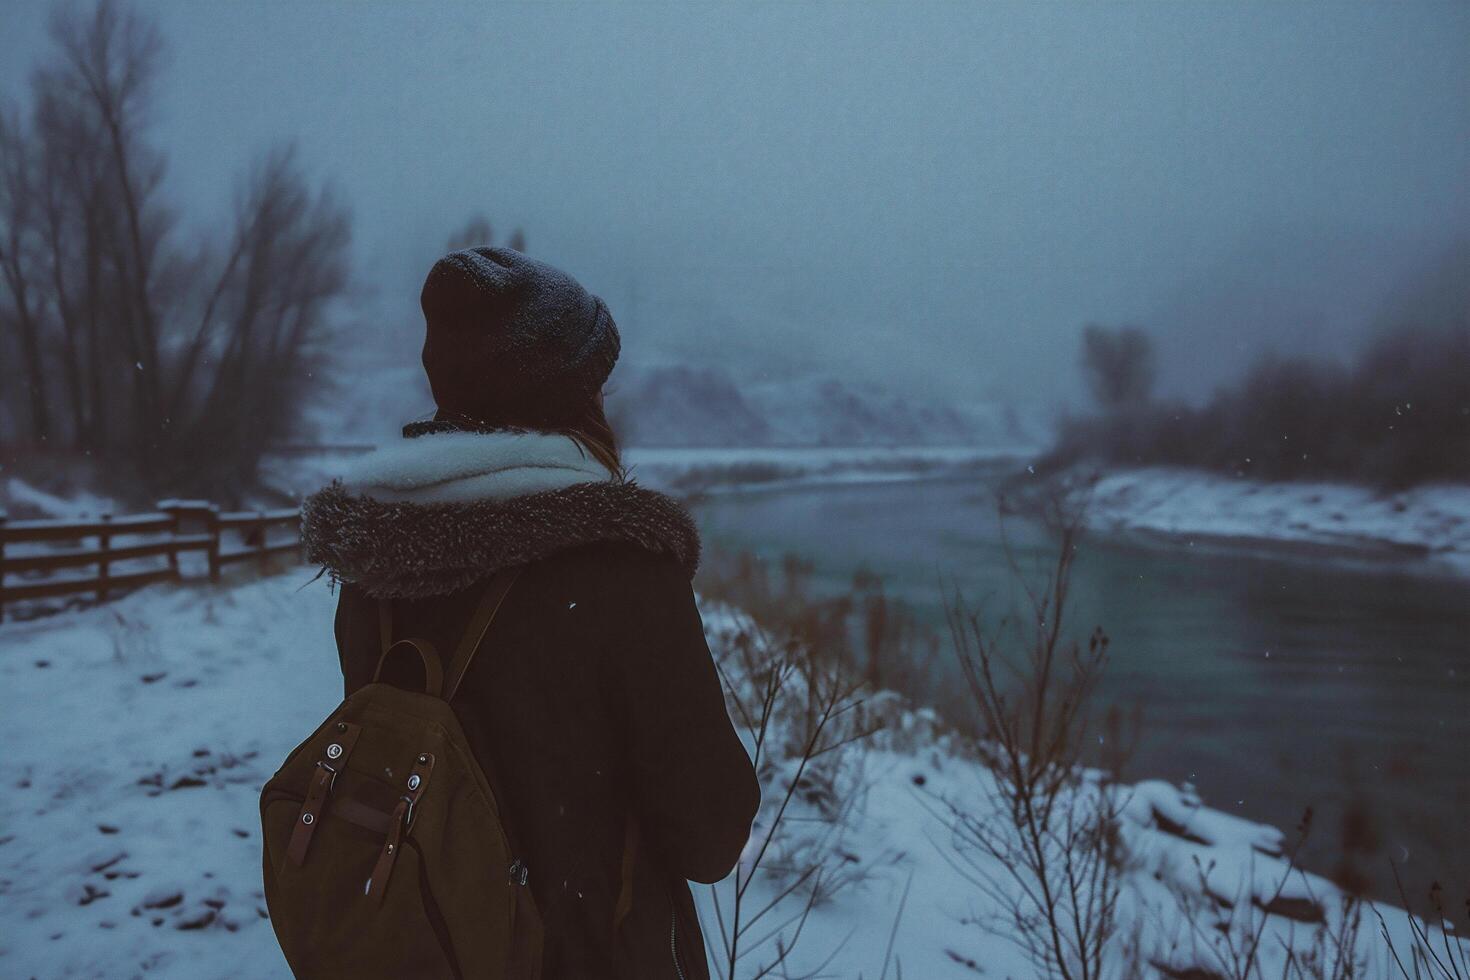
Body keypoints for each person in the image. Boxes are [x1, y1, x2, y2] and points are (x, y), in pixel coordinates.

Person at [301, 246, 760, 979]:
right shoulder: (621, 569)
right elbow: (710, 834)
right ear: (566, 397)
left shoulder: (376, 571)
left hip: (426, 948)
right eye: (596, 384)